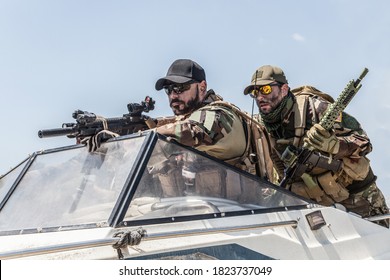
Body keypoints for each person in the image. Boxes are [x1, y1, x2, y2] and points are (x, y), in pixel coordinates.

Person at [243, 65, 389, 227]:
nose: (260, 97)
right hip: (315, 202)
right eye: (255, 92)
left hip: (356, 195)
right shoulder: (262, 126)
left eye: (266, 89)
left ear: (284, 89)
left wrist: (335, 146)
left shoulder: (315, 109)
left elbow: (364, 142)